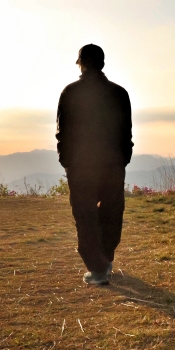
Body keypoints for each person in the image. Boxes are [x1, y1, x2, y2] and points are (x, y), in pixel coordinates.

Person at [56, 44, 133, 285]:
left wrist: (66, 160)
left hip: (81, 166)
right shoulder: (119, 93)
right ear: (102, 63)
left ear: (81, 63)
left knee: (85, 214)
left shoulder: (70, 92)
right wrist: (123, 158)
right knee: (112, 211)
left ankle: (99, 267)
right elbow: (126, 132)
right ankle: (104, 260)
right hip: (112, 164)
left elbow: (62, 132)